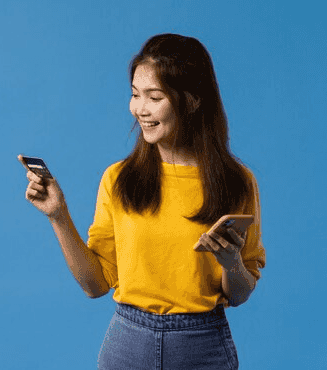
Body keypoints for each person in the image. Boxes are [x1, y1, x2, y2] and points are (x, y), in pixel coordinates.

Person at [21, 33, 265, 369]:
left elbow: (239, 293)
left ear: (192, 100)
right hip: (127, 344)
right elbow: (95, 285)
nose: (140, 110)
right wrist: (58, 215)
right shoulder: (118, 179)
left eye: (155, 97)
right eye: (135, 95)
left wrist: (230, 261)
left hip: (202, 345)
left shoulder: (238, 183)